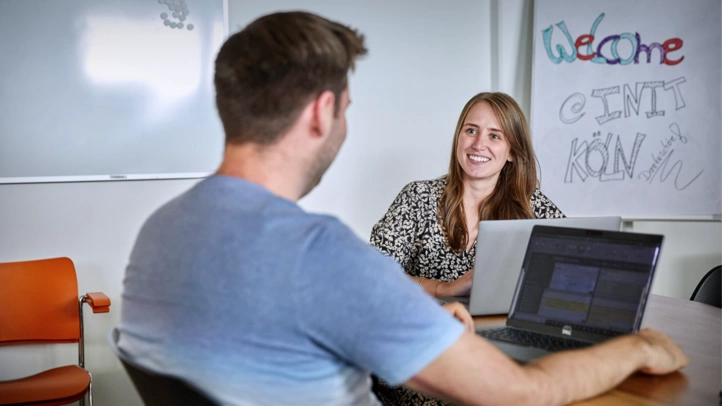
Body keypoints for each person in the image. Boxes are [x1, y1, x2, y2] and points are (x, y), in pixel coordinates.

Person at [118, 11, 688, 406]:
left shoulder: (159, 231)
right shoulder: (323, 255)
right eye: (345, 106)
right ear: (321, 112)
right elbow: (522, 394)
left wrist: (418, 319)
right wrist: (637, 346)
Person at [368, 92, 565, 404]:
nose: (478, 144)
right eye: (471, 130)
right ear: (458, 137)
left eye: (495, 135)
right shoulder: (418, 198)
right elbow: (372, 279)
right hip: (424, 348)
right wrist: (444, 288)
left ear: (511, 151)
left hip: (503, 346)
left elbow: (568, 273)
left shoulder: (533, 206)